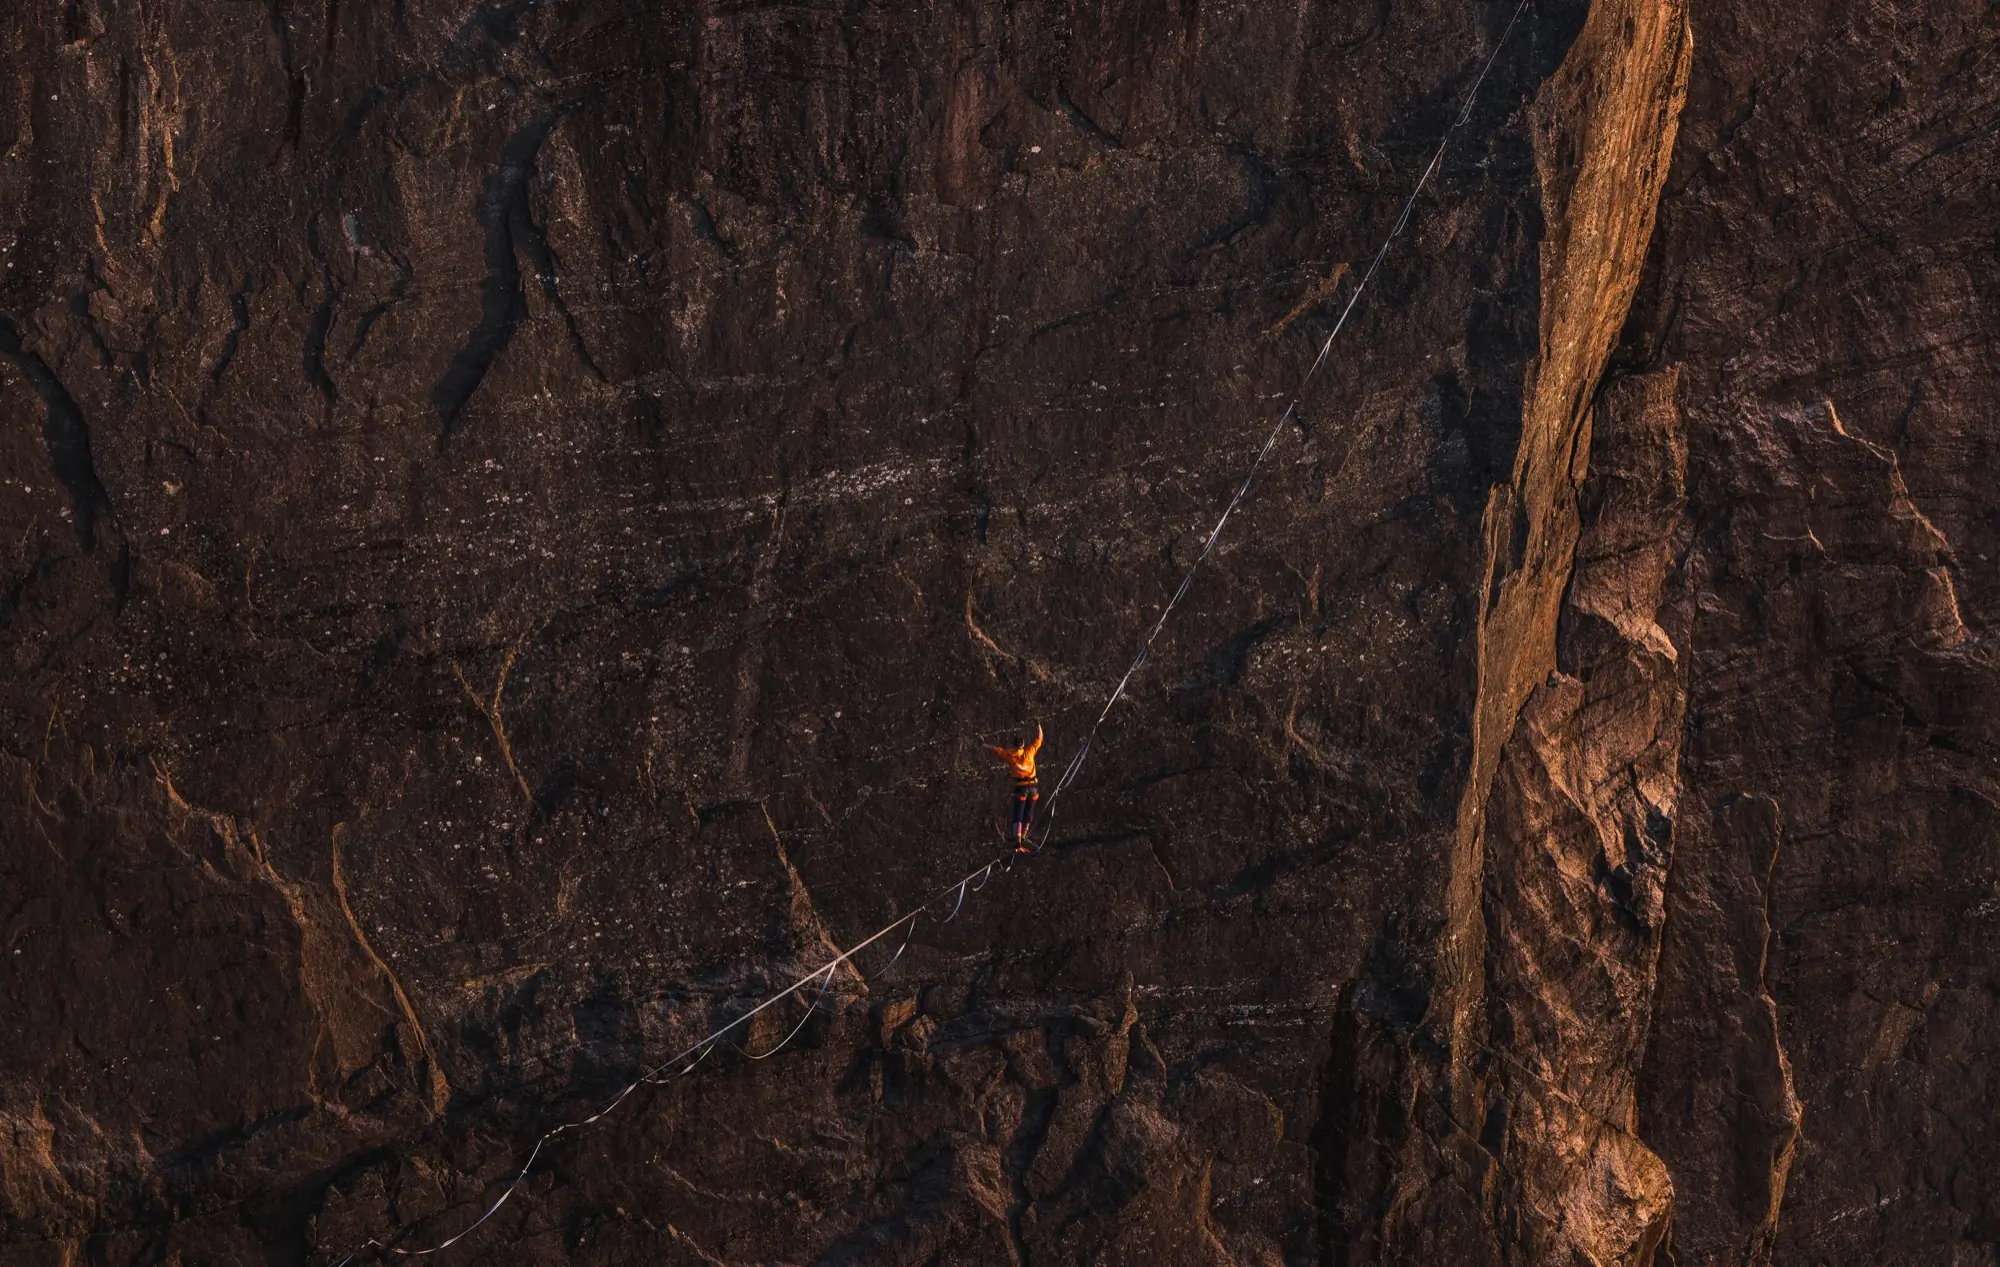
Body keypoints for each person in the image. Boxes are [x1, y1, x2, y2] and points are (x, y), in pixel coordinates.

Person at [990, 723, 1044, 852]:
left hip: (1021, 788)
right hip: (1033, 788)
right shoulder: (1029, 752)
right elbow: (1039, 738)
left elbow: (997, 750)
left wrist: (983, 745)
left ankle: (1018, 843)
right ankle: (1024, 835)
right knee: (1028, 813)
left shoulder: (1010, 756)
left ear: (1014, 745)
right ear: (1023, 744)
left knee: (1018, 815)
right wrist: (1038, 725)